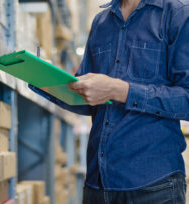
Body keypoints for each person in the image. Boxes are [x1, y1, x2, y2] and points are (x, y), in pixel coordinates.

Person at [30, 0, 189, 202]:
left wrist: (119, 90)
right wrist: (45, 81)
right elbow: (87, 97)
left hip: (153, 186)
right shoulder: (101, 22)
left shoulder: (177, 13)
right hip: (97, 184)